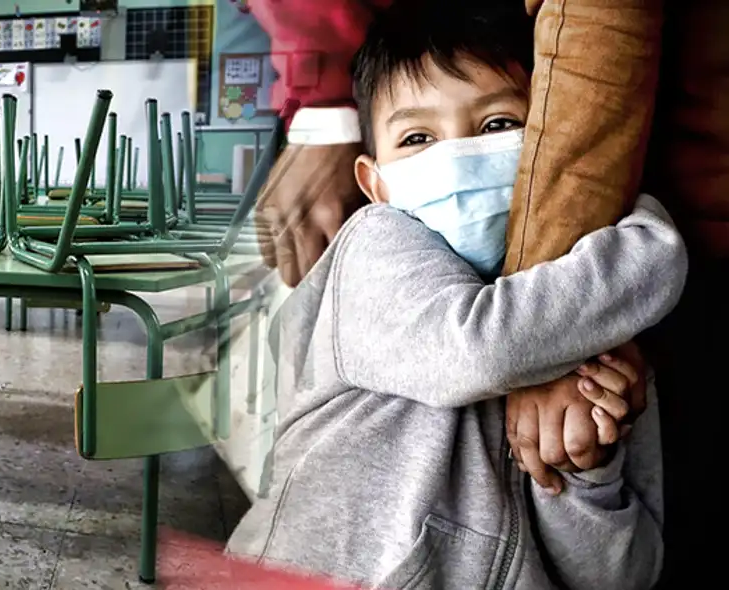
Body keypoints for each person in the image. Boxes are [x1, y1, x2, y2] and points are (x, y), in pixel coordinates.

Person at [226, 3, 687, 588]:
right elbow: (479, 350)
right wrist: (651, 245)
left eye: (497, 125)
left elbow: (623, 576)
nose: (456, 155)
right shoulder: (373, 246)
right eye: (417, 137)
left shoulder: (598, 329)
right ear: (374, 182)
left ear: (548, 142)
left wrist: (584, 471)